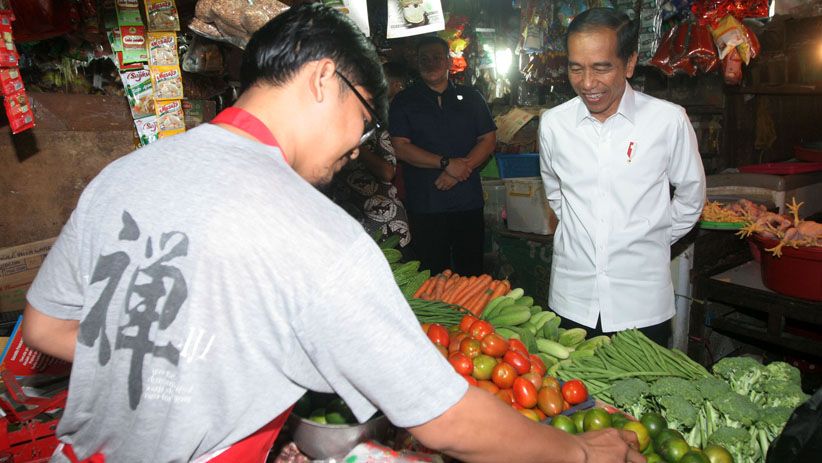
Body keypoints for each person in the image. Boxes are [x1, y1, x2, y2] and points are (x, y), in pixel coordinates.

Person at [21, 4, 643, 463]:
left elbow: (46, 329)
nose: (359, 147)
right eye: (367, 120)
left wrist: (194, 361)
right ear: (324, 80)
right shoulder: (318, 233)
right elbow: (444, 418)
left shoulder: (122, 176)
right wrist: (581, 456)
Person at [538, 7, 706, 346]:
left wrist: (651, 238)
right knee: (572, 395)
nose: (587, 83)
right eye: (576, 68)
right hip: (573, 299)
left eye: (601, 68)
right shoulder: (554, 124)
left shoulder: (667, 121)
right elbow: (556, 196)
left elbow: (691, 196)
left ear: (629, 63)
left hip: (641, 304)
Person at [389, 36, 496, 277]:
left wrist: (459, 170)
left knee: (471, 275)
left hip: (467, 202)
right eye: (424, 59)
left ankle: (473, 316)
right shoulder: (404, 101)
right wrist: (446, 164)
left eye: (437, 57)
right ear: (416, 63)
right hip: (426, 204)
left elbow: (488, 140)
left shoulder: (472, 98)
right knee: (432, 276)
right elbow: (400, 147)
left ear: (448, 61)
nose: (431, 63)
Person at [327, 62, 411, 249]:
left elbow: (388, 172)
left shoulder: (375, 127)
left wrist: (355, 144)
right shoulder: (325, 128)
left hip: (384, 221)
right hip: (344, 221)